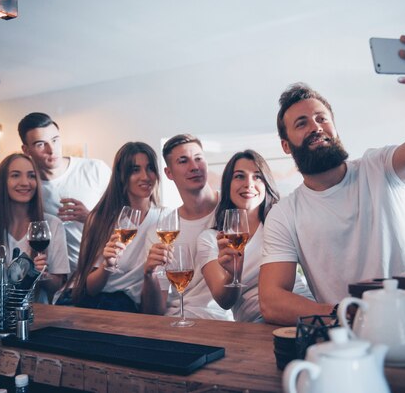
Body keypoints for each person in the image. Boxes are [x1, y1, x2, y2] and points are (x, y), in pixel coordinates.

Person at [259, 32, 405, 326]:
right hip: (354, 334)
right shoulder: (285, 214)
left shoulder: (380, 167)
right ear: (286, 145)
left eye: (322, 118)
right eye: (302, 123)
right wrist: (348, 314)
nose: (316, 126)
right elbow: (271, 301)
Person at [197, 150, 312, 322]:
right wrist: (233, 272)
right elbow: (224, 302)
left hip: (303, 305)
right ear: (227, 185)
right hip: (258, 321)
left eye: (257, 176)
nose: (249, 184)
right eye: (239, 176)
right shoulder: (210, 239)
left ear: (266, 184)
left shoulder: (281, 222)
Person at [141, 134, 232, 320]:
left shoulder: (233, 211)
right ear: (169, 173)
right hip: (179, 321)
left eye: (198, 158)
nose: (194, 166)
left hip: (227, 321)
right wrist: (149, 274)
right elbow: (154, 311)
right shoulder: (161, 230)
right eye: (183, 161)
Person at [70, 142, 161, 312]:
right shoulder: (101, 219)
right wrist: (107, 265)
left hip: (137, 310)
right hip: (99, 307)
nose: (145, 176)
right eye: (135, 170)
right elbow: (88, 288)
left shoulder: (164, 221)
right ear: (121, 176)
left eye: (150, 168)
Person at [0, 153, 69, 303]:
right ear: (2, 182)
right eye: (15, 175)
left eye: (31, 176)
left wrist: (41, 273)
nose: (25, 182)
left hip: (37, 318)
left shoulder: (53, 225)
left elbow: (57, 286)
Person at [18, 112, 111, 275]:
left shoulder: (95, 170)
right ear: (26, 150)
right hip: (59, 281)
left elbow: (125, 221)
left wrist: (89, 217)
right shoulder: (28, 188)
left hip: (102, 273)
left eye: (55, 140)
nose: (51, 149)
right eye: (40, 144)